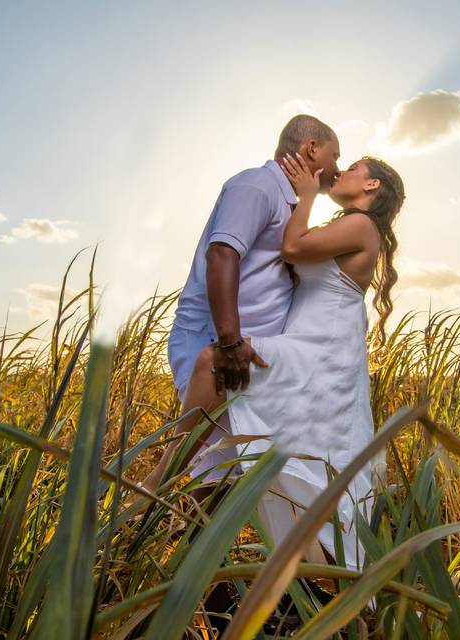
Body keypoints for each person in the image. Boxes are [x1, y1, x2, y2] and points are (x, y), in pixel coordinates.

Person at [147, 147, 405, 574]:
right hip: (310, 342)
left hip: (322, 350)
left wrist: (306, 194)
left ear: (371, 185)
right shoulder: (347, 225)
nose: (343, 170)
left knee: (216, 361)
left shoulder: (361, 225)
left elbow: (292, 246)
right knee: (309, 476)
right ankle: (337, 582)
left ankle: (163, 473)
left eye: (354, 166)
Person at [144, 114, 341, 495]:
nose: (338, 167)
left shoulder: (290, 203)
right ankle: (138, 518)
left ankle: (184, 546)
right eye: (335, 155)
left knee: (220, 475)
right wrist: (230, 343)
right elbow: (222, 255)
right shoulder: (257, 186)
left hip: (244, 355)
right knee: (208, 470)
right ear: (312, 149)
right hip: (217, 348)